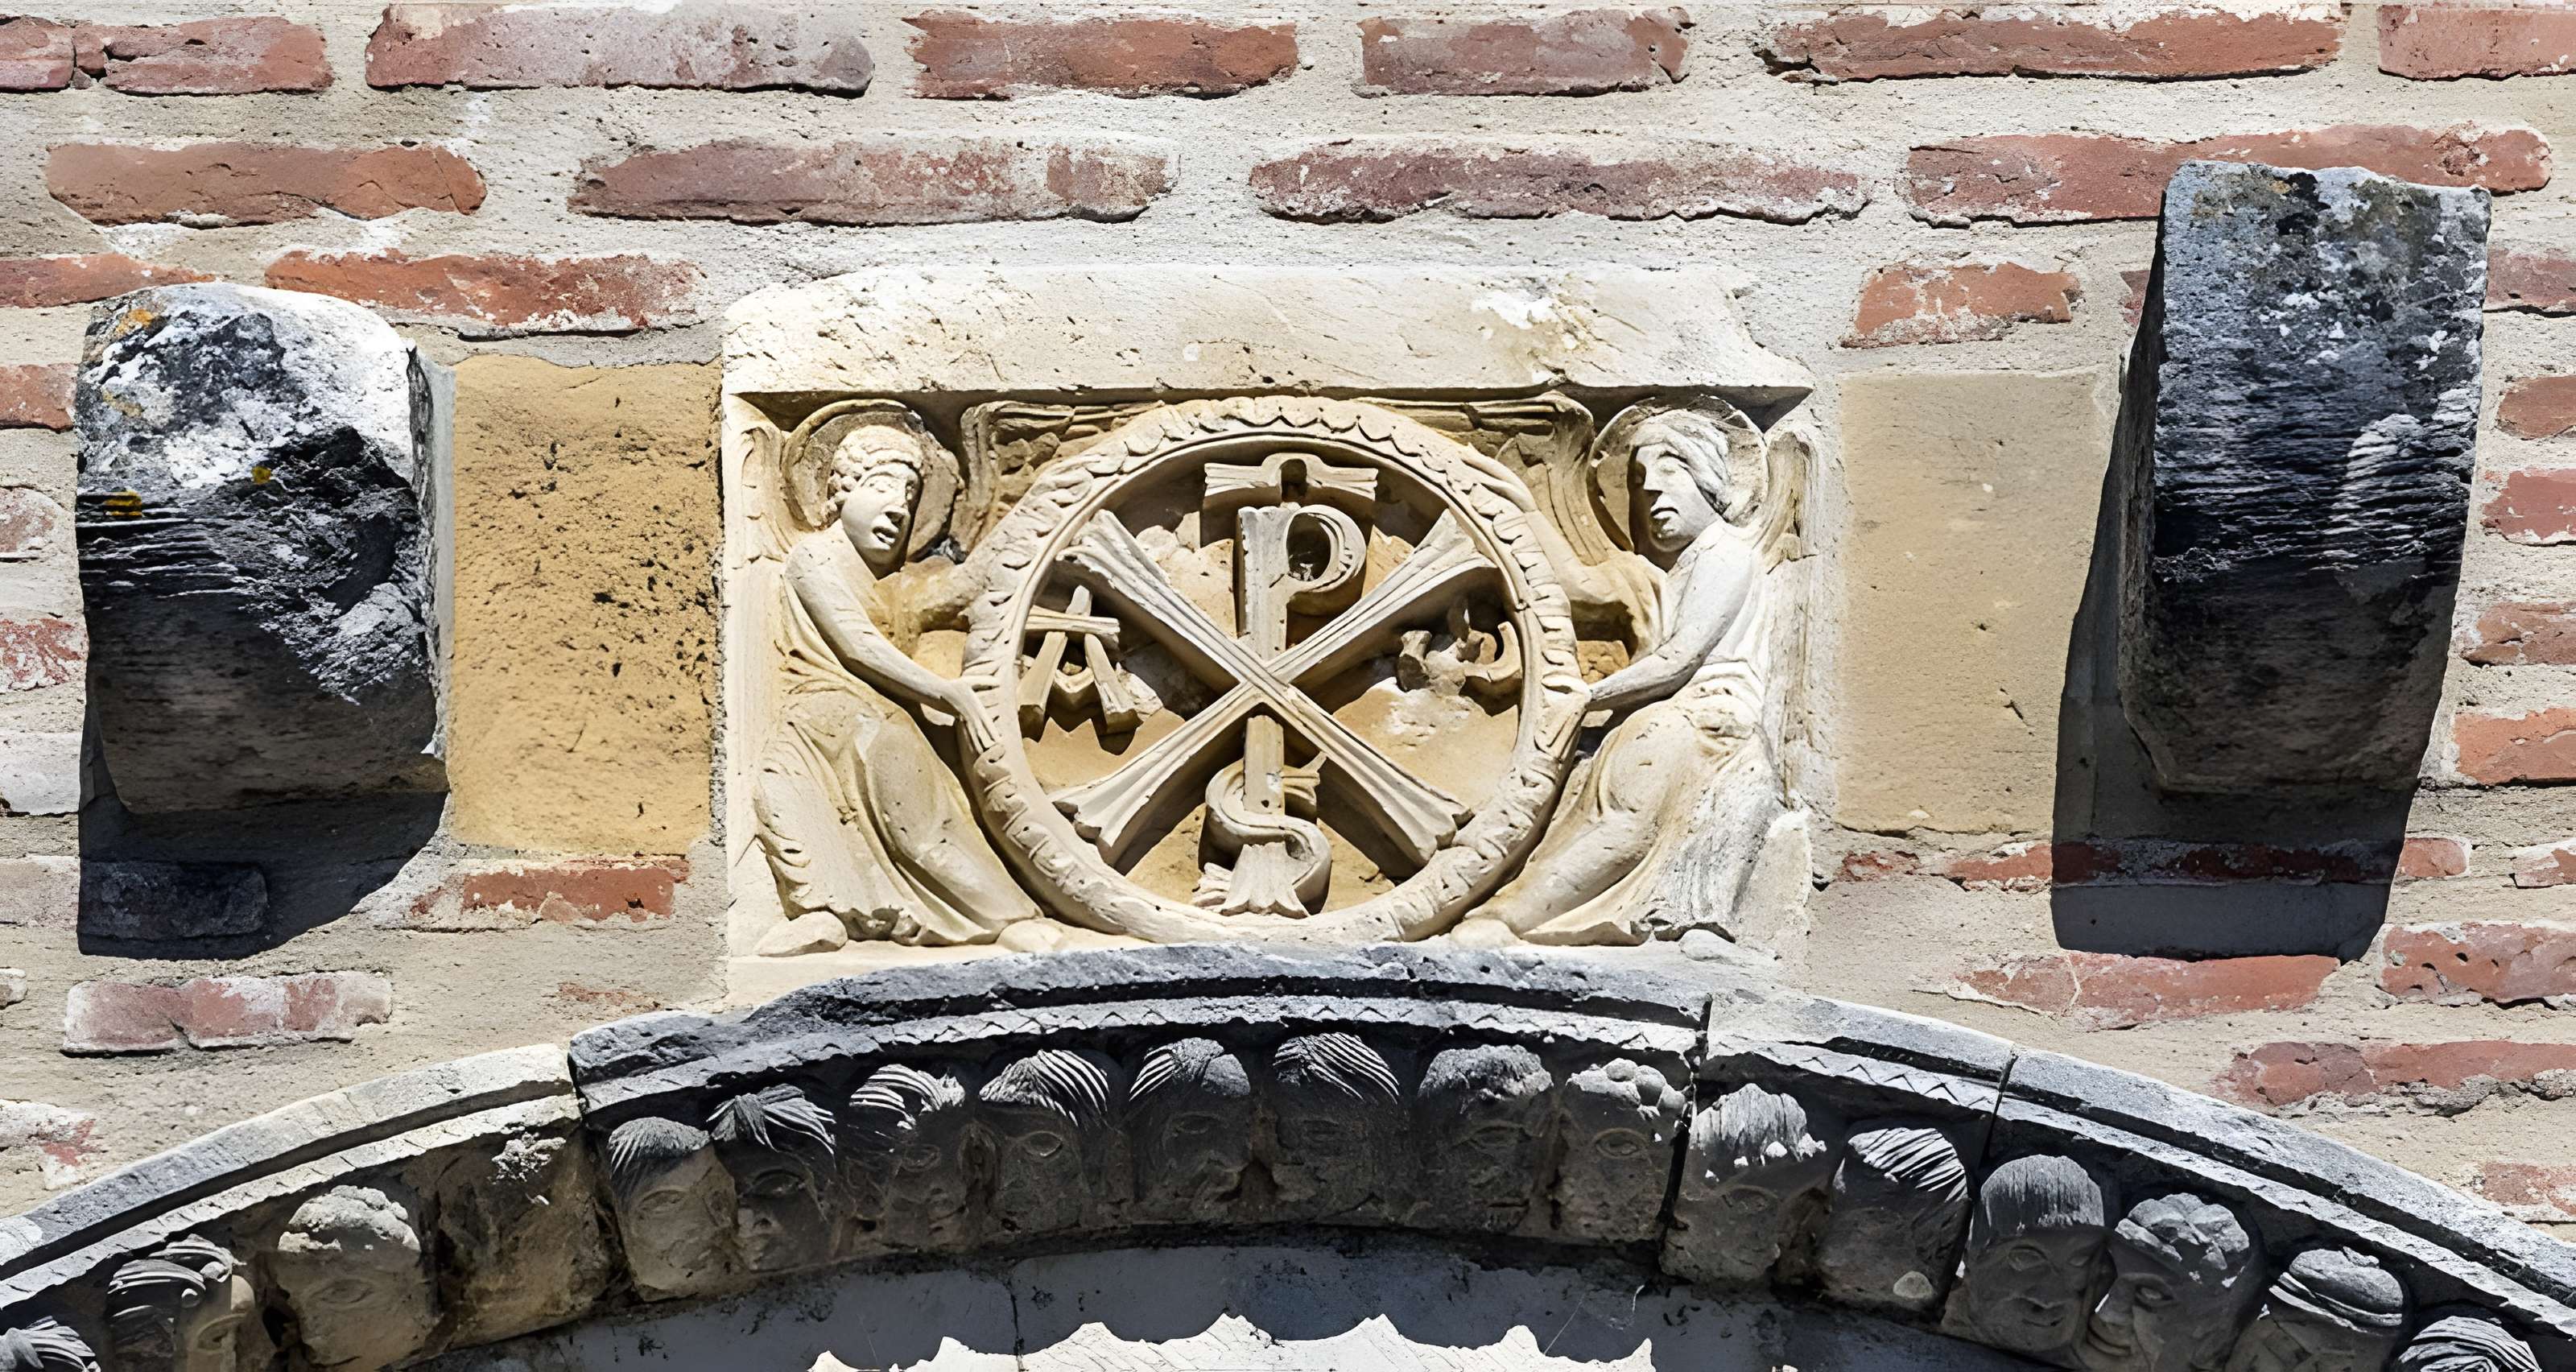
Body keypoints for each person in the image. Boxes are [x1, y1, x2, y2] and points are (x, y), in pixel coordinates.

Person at [1458, 403, 1791, 944]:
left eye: (1670, 469)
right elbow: (1578, 587)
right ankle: (1509, 913)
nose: (1651, 492)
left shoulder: (1727, 553)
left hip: (1704, 724)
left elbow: (1678, 660)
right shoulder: (1661, 572)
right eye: (1638, 479)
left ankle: (1509, 920)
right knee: (1590, 814)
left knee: (1623, 824)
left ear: (1708, 476)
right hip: (1664, 719)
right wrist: (1520, 509)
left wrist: (1587, 697)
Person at [754, 411, 1038, 953]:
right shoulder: (812, 558)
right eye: (881, 486)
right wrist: (944, 690)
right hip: (813, 722)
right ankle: (825, 912)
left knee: (923, 833)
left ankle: (1008, 916)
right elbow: (857, 645)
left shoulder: (889, 584)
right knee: (783, 795)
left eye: (909, 497)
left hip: (871, 722)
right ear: (840, 491)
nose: (898, 507)